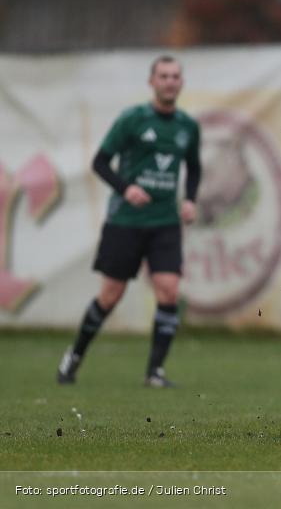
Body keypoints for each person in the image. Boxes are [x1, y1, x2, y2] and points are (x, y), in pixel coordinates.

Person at [56, 56, 201, 388]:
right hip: (126, 221)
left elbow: (194, 167)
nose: (170, 82)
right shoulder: (132, 120)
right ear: (151, 82)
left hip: (165, 222)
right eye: (163, 76)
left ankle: (155, 372)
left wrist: (190, 199)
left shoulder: (187, 127)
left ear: (181, 82)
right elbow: (100, 162)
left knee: (169, 290)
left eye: (175, 76)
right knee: (110, 295)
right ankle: (74, 356)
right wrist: (127, 188)